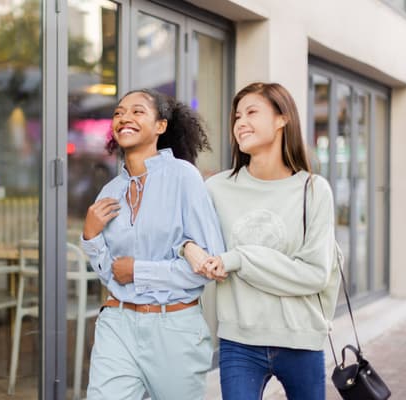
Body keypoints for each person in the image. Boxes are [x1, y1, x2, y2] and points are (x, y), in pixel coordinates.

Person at [184, 82, 340, 400]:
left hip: (301, 339)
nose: (241, 122)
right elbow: (182, 234)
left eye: (252, 112)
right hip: (238, 342)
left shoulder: (313, 190)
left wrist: (238, 259)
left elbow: (314, 274)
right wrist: (188, 248)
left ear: (282, 118)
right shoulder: (217, 189)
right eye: (237, 116)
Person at [80, 88, 225, 400]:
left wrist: (139, 271)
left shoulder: (183, 177)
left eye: (137, 111)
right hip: (117, 321)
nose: (124, 118)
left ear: (161, 126)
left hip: (173, 326)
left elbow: (208, 265)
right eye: (119, 113)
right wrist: (90, 237)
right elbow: (112, 274)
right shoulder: (110, 190)